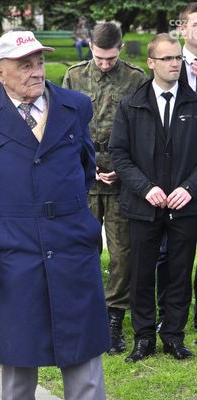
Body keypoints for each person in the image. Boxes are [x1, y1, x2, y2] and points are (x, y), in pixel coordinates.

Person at [0, 31, 109, 400]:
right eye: (25, 65)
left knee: (84, 356)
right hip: (12, 254)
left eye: (39, 62)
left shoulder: (74, 106)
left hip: (71, 247)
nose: (37, 71)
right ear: (0, 72)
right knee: (18, 359)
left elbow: (85, 169)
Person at [109, 33, 197, 362]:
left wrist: (189, 188)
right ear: (151, 63)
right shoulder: (130, 104)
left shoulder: (194, 103)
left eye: (178, 58)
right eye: (167, 58)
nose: (175, 64)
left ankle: (173, 336)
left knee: (179, 273)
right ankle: (144, 337)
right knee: (141, 273)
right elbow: (119, 154)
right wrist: (145, 187)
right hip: (143, 206)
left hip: (185, 207)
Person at [62, 22, 148, 355]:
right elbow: (64, 126)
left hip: (121, 178)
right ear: (91, 48)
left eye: (110, 58)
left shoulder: (136, 79)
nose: (105, 64)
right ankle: (85, 312)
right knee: (82, 248)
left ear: (120, 48)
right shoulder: (74, 76)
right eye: (99, 57)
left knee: (122, 254)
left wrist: (122, 171)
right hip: (84, 178)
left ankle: (114, 318)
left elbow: (145, 131)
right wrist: (87, 167)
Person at [174, 2, 197, 330]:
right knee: (173, 255)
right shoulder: (167, 63)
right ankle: (170, 316)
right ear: (182, 28)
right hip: (175, 173)